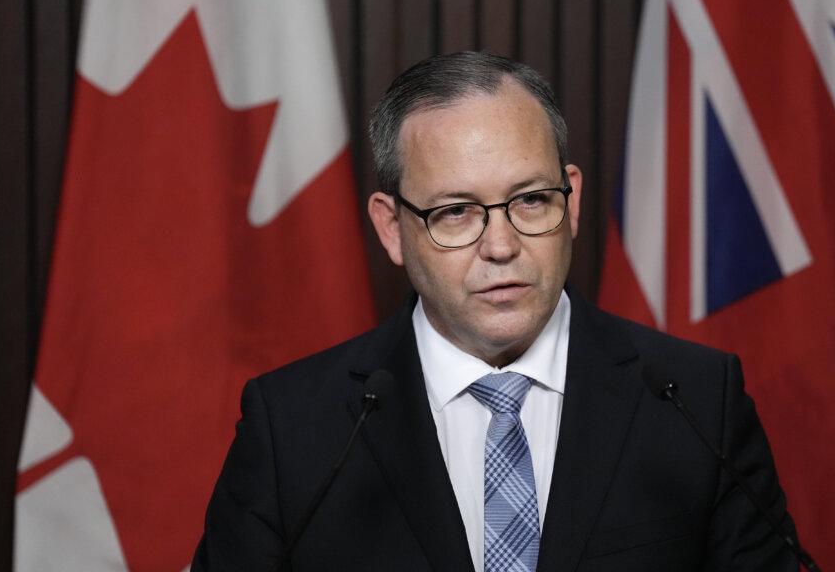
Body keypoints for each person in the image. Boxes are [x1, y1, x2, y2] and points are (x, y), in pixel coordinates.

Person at [193, 51, 801, 571]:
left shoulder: (696, 402)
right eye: (455, 212)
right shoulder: (293, 427)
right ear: (392, 228)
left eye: (531, 200)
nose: (502, 245)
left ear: (571, 200)